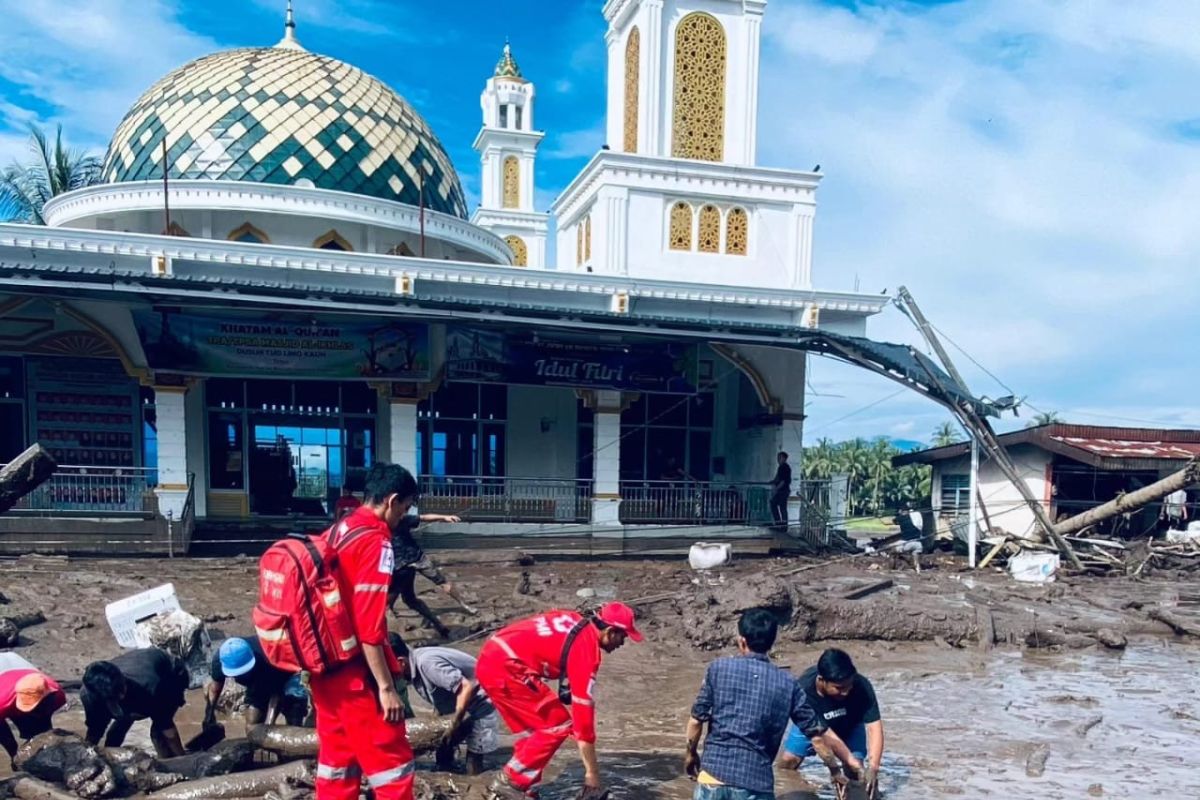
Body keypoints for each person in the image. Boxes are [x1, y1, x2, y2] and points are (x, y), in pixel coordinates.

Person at [311, 463, 421, 800]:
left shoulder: (337, 531)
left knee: (337, 762)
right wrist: (386, 687)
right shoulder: (376, 543)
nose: (402, 517)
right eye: (404, 509)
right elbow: (369, 626)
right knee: (393, 766)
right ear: (391, 501)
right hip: (356, 674)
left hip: (322, 668)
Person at [475, 603, 644, 800]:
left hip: (492, 659)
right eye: (622, 636)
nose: (622, 643)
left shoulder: (573, 619)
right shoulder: (586, 649)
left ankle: (527, 790)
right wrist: (592, 775)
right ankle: (509, 781)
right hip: (507, 667)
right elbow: (583, 719)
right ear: (610, 631)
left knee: (533, 735)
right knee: (558, 725)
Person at [684, 608, 849, 800]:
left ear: (742, 641)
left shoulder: (718, 669)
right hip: (756, 784)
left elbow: (696, 720)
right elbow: (816, 737)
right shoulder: (788, 684)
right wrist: (835, 772)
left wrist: (691, 754)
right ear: (771, 643)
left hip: (712, 778)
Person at [779, 649, 884, 800]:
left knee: (857, 776)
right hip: (815, 727)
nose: (846, 692)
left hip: (850, 723)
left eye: (849, 686)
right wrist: (835, 770)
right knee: (788, 764)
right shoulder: (804, 691)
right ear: (821, 680)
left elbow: (875, 727)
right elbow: (820, 737)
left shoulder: (862, 686)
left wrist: (873, 767)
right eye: (839, 688)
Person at [390, 635, 499, 775]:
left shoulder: (427, 663)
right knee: (443, 749)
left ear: (401, 662)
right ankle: (447, 769)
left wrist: (455, 722)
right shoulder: (414, 664)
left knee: (475, 756)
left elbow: (466, 687)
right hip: (460, 704)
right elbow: (439, 692)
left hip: (481, 702)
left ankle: (475, 783)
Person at [81, 647, 189, 758]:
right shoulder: (89, 697)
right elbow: (94, 731)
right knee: (113, 734)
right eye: (116, 695)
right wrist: (87, 756)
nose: (122, 695)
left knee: (158, 733)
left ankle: (167, 761)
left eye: (122, 689)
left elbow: (168, 730)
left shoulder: (150, 687)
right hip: (133, 681)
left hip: (171, 673)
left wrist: (182, 759)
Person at [387, 506, 474, 639]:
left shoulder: (401, 519)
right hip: (405, 564)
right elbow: (424, 517)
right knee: (409, 599)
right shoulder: (395, 521)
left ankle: (463, 606)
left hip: (408, 563)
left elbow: (424, 517)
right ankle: (441, 624)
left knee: (405, 600)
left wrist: (444, 517)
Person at [207, 636, 307, 734]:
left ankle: (294, 737)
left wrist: (269, 727)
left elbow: (276, 694)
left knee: (293, 704)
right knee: (252, 726)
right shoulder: (220, 660)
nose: (240, 675)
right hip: (257, 680)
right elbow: (215, 688)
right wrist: (209, 715)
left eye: (243, 671)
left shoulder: (267, 659)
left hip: (290, 669)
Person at [0, 667, 66, 763]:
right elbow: (2, 731)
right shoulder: (3, 703)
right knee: (10, 744)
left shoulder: (58, 695)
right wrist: (13, 753)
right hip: (5, 686)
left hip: (32, 680)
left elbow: (46, 722)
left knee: (41, 733)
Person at [770, 453, 792, 531]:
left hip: (783, 490)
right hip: (781, 490)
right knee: (774, 504)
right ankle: (779, 524)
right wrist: (773, 482)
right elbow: (778, 477)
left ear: (784, 458)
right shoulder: (781, 467)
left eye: (779, 457)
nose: (778, 459)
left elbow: (783, 481)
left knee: (781, 507)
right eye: (778, 457)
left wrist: (776, 488)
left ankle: (782, 526)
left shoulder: (785, 468)